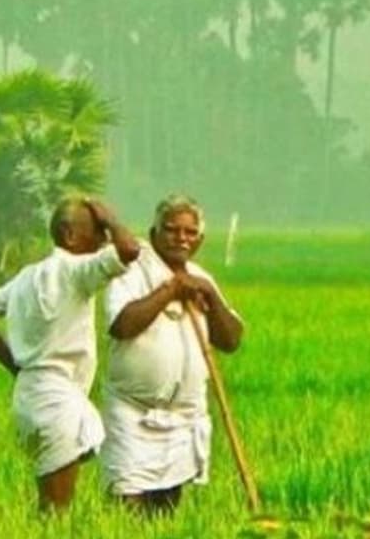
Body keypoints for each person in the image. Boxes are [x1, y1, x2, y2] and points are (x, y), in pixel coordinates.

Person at [0, 197, 139, 512]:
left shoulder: (27, 277)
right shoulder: (75, 270)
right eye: (96, 231)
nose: (102, 240)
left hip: (30, 395)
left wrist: (16, 366)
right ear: (70, 235)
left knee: (51, 504)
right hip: (59, 404)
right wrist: (111, 219)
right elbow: (129, 250)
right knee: (56, 512)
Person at [100, 193, 244, 514]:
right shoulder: (131, 271)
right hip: (133, 413)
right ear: (155, 233)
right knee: (127, 506)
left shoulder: (202, 278)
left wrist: (208, 295)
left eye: (190, 232)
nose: (181, 238)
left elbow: (231, 339)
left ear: (200, 240)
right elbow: (122, 325)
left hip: (182, 417)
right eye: (172, 229)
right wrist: (170, 291)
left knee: (166, 510)